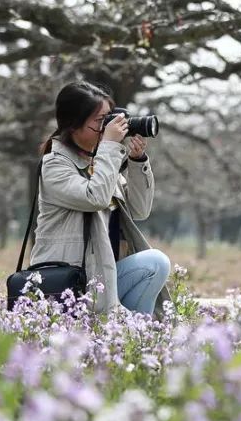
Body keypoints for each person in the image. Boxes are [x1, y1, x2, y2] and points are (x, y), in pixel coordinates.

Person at [31, 81, 170, 316]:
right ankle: (133, 335)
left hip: (103, 275)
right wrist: (108, 147)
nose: (107, 127)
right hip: (72, 280)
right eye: (100, 121)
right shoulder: (55, 164)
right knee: (154, 263)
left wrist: (137, 161)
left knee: (154, 264)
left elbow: (139, 210)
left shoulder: (99, 162)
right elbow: (94, 197)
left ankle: (133, 335)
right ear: (73, 123)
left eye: (109, 118)